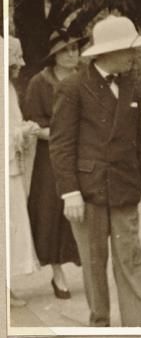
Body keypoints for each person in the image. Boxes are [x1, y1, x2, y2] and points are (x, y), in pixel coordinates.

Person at [49, 15, 141, 327]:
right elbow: (61, 145)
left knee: (131, 262)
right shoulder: (73, 88)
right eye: (128, 50)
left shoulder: (131, 86)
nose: (133, 55)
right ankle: (100, 325)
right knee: (94, 265)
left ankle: (139, 327)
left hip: (125, 188)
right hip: (87, 193)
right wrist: (69, 192)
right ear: (107, 52)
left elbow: (138, 143)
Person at [23, 29, 83, 299]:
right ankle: (57, 273)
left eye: (75, 49)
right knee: (52, 213)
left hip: (85, 154)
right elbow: (34, 124)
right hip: (52, 157)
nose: (72, 54)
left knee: (85, 211)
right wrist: (61, 134)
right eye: (65, 50)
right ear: (54, 56)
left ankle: (89, 270)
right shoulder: (40, 83)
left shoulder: (86, 78)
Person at [8, 36, 40, 308]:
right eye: (15, 58)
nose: (20, 63)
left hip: (9, 167)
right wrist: (22, 131)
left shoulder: (8, 88)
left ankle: (6, 286)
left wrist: (22, 130)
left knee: (12, 224)